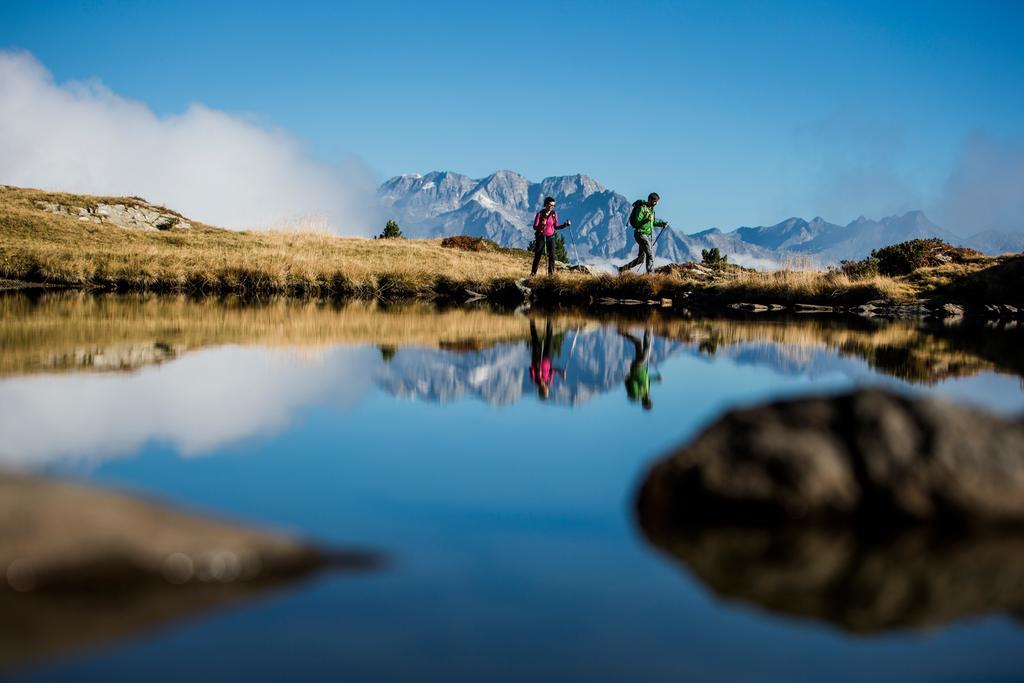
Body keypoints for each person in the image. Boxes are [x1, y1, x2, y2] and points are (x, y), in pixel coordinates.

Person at [619, 192, 669, 274]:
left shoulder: (651, 210)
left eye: (657, 202)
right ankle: (651, 275)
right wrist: (646, 220)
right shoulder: (642, 208)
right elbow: (637, 223)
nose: (655, 204)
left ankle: (622, 269)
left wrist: (662, 223)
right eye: (654, 201)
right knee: (650, 254)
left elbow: (652, 222)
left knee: (641, 259)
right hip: (640, 234)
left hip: (647, 235)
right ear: (649, 200)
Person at [620, 326, 661, 410]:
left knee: (647, 350)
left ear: (645, 402)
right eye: (650, 401)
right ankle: (623, 333)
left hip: (638, 368)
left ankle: (648, 327)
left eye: (648, 401)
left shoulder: (638, 393)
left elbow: (633, 382)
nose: (650, 399)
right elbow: (647, 379)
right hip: (642, 367)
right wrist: (657, 379)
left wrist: (639, 385)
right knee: (638, 343)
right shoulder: (646, 391)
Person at [531, 196, 571, 276]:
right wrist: (542, 225)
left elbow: (556, 226)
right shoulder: (540, 214)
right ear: (545, 205)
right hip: (541, 236)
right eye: (550, 205)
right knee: (538, 256)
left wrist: (565, 225)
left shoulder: (554, 214)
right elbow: (535, 227)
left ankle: (551, 275)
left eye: (553, 205)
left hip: (551, 236)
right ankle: (533, 274)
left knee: (552, 256)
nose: (551, 207)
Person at [528, 318, 565, 400]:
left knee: (535, 338)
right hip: (548, 358)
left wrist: (536, 368)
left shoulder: (535, 380)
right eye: (546, 391)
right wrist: (560, 371)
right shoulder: (549, 381)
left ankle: (532, 319)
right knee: (550, 338)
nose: (545, 390)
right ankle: (549, 319)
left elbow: (531, 369)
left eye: (544, 391)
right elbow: (552, 370)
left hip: (537, 357)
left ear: (540, 390)